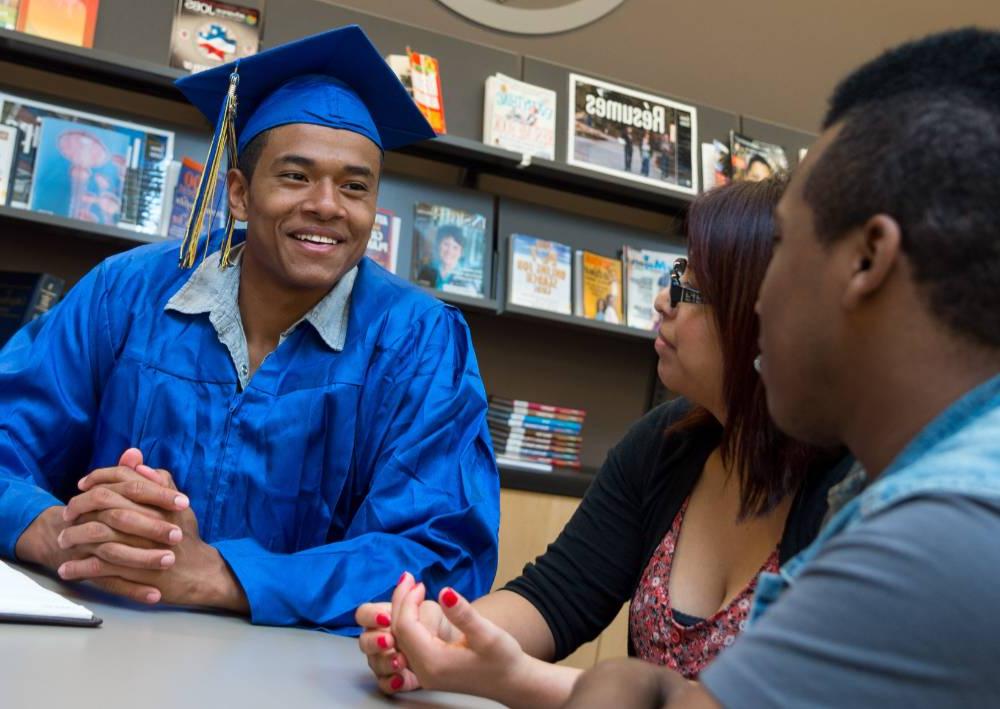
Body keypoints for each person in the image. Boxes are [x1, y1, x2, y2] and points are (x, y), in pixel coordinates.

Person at [0, 26, 500, 631]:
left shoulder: (420, 341)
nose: (327, 204)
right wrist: (54, 531)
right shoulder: (125, 292)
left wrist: (219, 574)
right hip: (102, 633)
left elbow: (440, 555)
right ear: (238, 193)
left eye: (355, 186)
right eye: (295, 176)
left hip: (305, 676)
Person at [564, 27, 1000, 707]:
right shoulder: (884, 490)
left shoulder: (941, 530)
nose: (760, 298)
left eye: (784, 245)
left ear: (866, 259)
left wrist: (628, 683)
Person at [355, 177, 850, 705]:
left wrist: (510, 676)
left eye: (692, 288)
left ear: (764, 316)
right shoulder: (665, 443)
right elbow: (555, 598)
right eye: (675, 273)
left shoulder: (849, 495)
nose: (663, 300)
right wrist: (440, 629)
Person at [415, 224, 477, 294]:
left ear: (461, 252)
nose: (449, 251)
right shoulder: (426, 270)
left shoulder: (467, 279)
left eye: (455, 247)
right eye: (446, 244)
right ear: (439, 245)